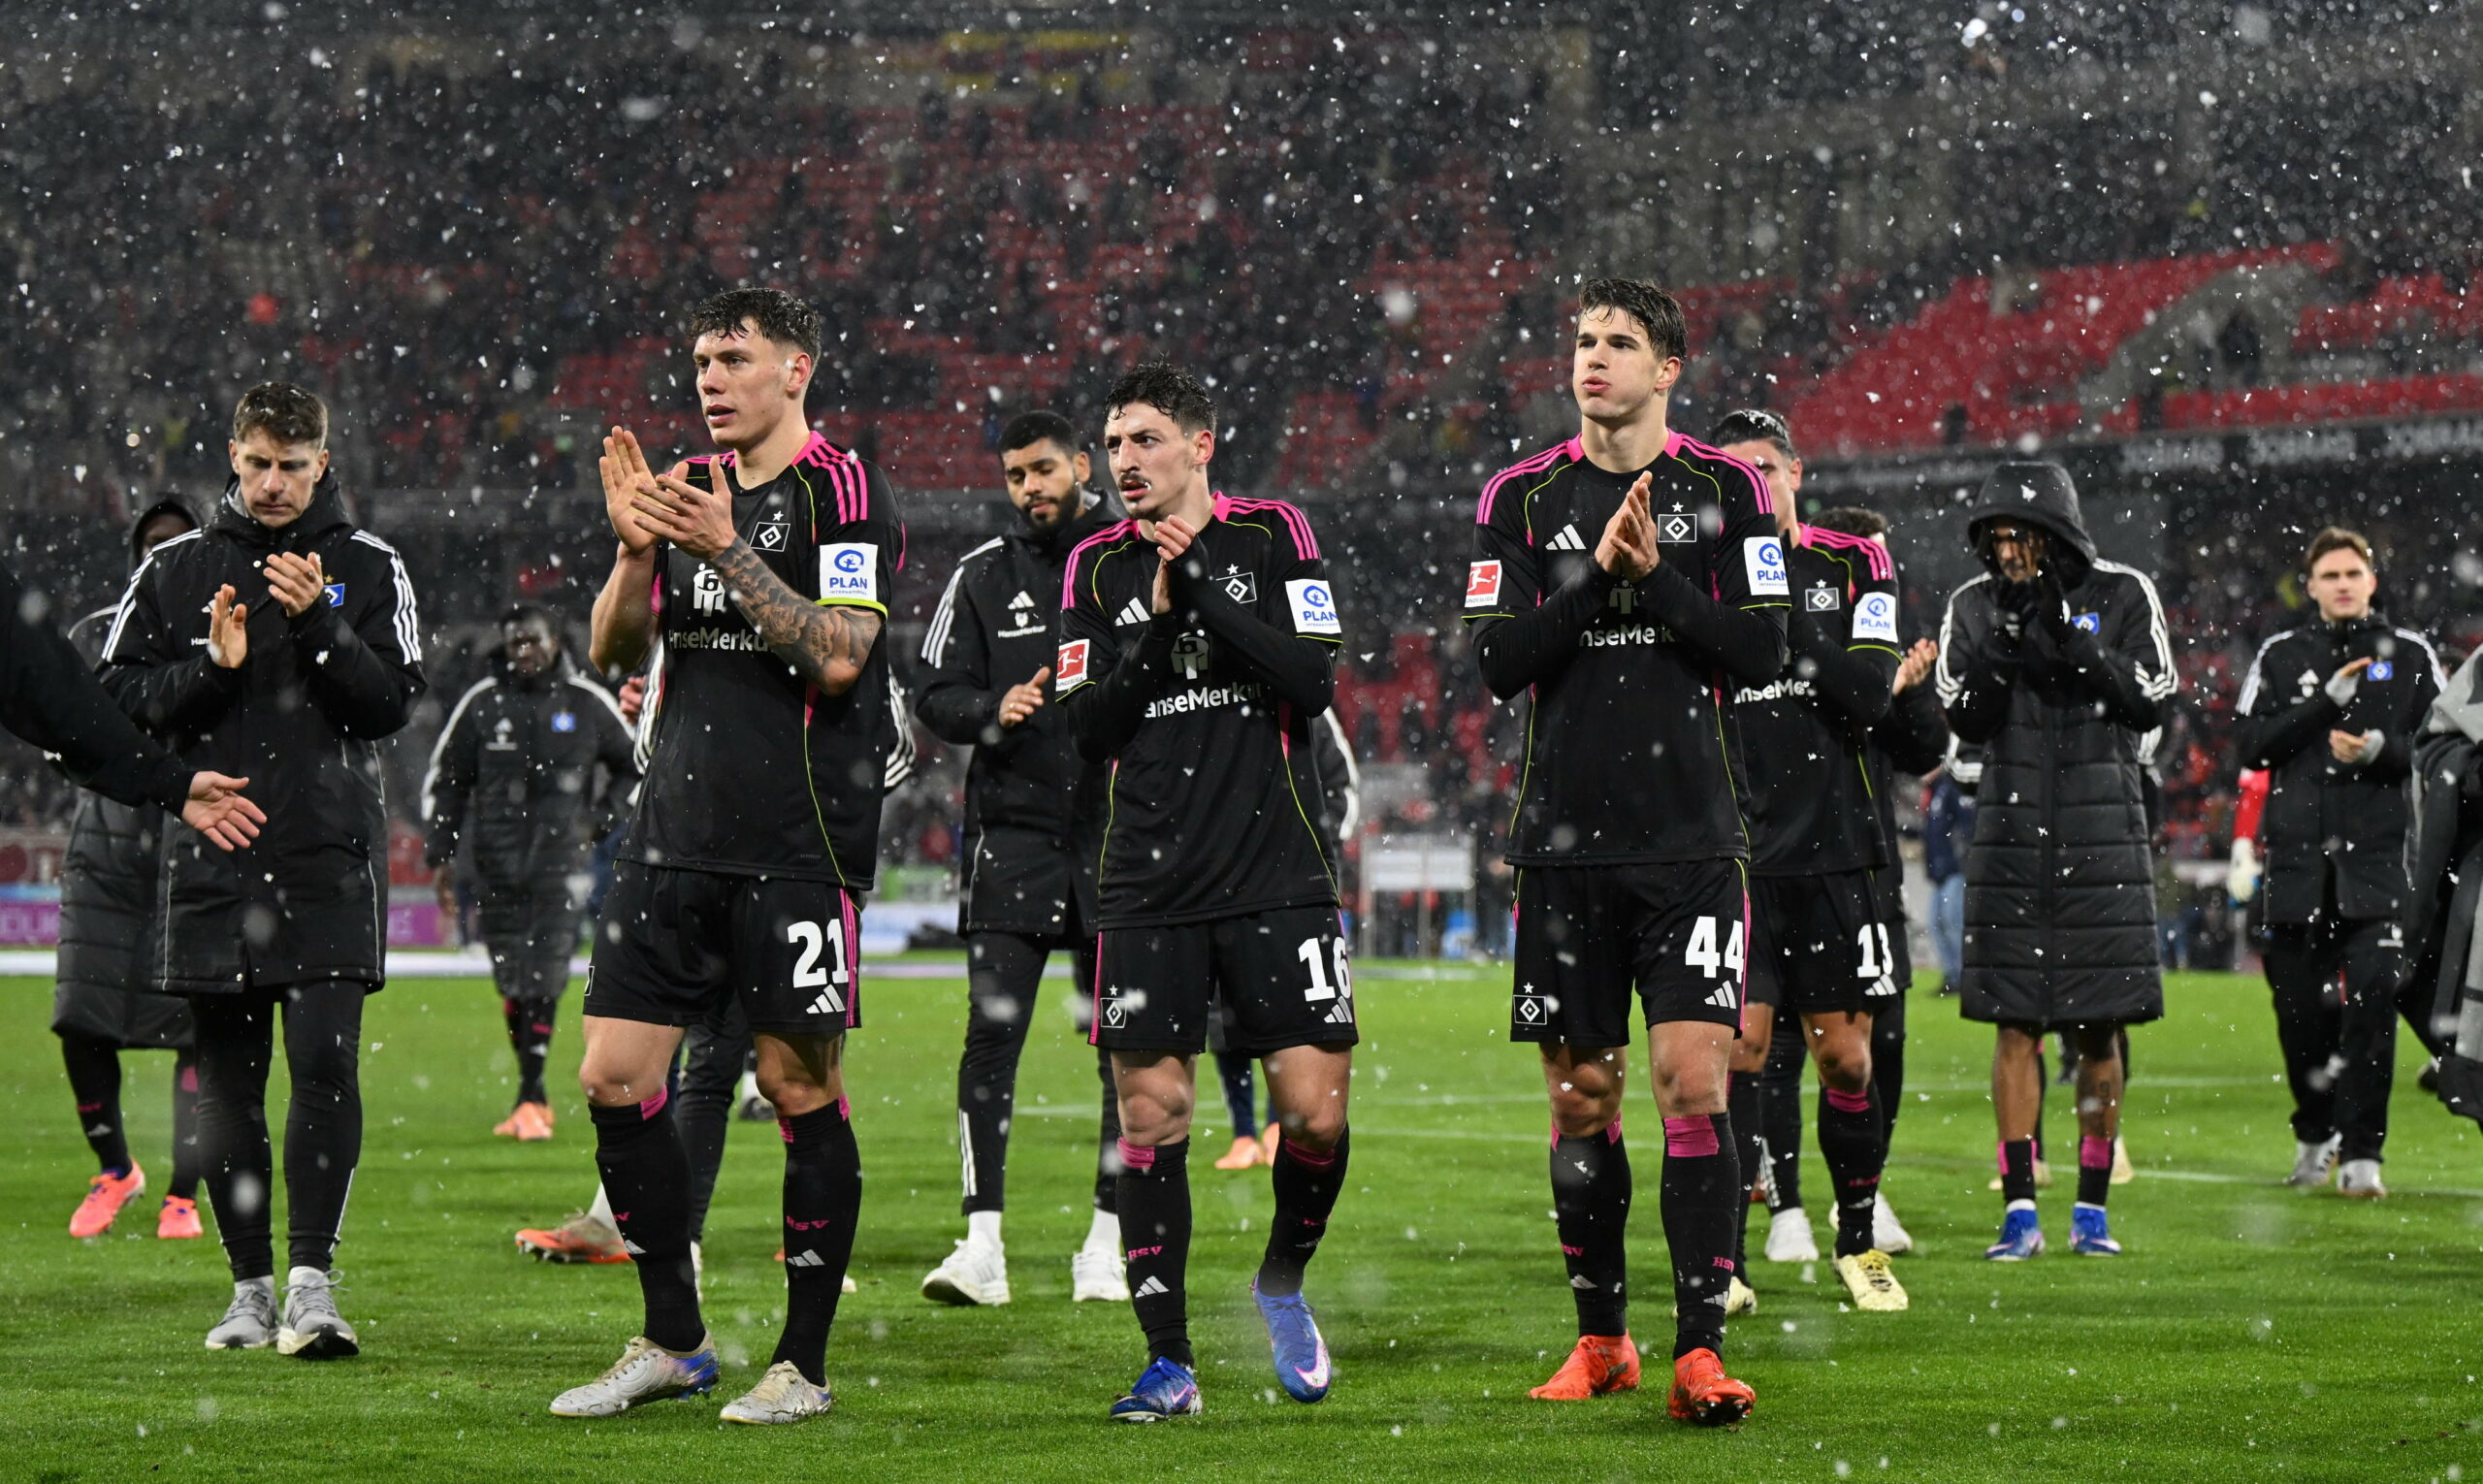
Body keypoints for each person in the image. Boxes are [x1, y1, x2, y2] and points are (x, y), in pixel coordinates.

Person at [551, 287, 898, 1427]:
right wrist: (631, 551)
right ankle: (674, 1337)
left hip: (796, 843)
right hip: (669, 839)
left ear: (795, 371)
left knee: (799, 1088)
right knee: (612, 1076)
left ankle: (801, 1363)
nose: (708, 378)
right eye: (700, 358)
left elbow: (841, 656)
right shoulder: (686, 493)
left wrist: (729, 551)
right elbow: (614, 649)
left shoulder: (840, 490)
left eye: (733, 358)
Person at [1463, 280, 1785, 1424]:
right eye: (1582, 340)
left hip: (1692, 839)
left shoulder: (1728, 490)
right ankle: (1602, 1338)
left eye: (1619, 344)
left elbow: (1761, 649)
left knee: (1692, 1085)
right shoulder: (1519, 496)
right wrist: (1599, 573)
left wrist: (1659, 580)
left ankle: (1700, 1347)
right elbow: (1498, 664)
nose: (1592, 358)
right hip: (1562, 848)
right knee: (1584, 1097)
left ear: (1668, 369)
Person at [1056, 362, 1355, 1422]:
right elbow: (1088, 732)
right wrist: (1154, 624)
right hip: (1147, 880)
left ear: (1200, 444)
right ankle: (1168, 1359)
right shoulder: (1092, 568)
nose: (1122, 462)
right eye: (1113, 443)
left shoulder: (1277, 535)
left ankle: (1280, 1281)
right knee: (1153, 1115)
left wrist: (1208, 602)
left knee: (1313, 1120)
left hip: (1278, 870)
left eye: (1143, 440)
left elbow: (1312, 682)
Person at [101, 381, 422, 1356]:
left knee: (323, 1068)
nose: (275, 484)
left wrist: (321, 623)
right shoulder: (175, 570)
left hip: (326, 858)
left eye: (293, 465)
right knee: (226, 1085)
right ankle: (248, 1290)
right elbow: (112, 699)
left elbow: (391, 705)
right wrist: (212, 666)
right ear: (232, 459)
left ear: (324, 462)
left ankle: (312, 1286)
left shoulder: (367, 568)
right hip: (216, 855)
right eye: (258, 464)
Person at [912, 408, 1129, 1306]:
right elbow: (931, 689)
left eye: (1043, 470)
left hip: (1120, 840)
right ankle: (982, 1245)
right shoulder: (981, 577)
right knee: (991, 1037)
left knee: (1124, 1046)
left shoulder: (1136, 561)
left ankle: (1108, 1244)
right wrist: (990, 708)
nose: (1031, 489)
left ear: (1082, 465)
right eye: (1014, 476)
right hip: (1015, 839)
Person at [1934, 460, 2177, 1260]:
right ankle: (2018, 1207)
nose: (2010, 553)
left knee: (2100, 1033)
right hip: (2009, 838)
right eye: (1998, 538)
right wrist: (2005, 646)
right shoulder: (1971, 608)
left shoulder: (2123, 594)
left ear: (2058, 533)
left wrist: (2073, 637)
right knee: (2014, 1030)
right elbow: (1963, 722)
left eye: (2024, 536)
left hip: (2102, 837)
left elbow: (2149, 701)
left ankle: (2094, 1209)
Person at [1707, 411, 1907, 1315]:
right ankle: (1732, 1262)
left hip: (1837, 856)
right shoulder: (1699, 578)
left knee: (1849, 1066)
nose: (1757, 486)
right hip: (1739, 858)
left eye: (1767, 470)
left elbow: (1869, 693)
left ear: (1795, 472)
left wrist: (1781, 620)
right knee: (1736, 1057)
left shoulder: (1856, 561)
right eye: (1737, 476)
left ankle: (1859, 1244)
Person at [2234, 527, 2443, 1196]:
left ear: (2373, 580)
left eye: (2354, 572)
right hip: (2297, 873)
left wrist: (2382, 750)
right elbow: (2250, 746)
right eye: (2330, 575)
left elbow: (2444, 755)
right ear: (2312, 585)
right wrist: (2323, 704)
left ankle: (2362, 1157)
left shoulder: (2411, 658)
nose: (2344, 583)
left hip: (2379, 870)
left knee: (2371, 1011)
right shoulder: (2279, 655)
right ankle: (2314, 1131)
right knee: (2299, 1018)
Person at [421, 603, 639, 1143]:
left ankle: (531, 1092)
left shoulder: (587, 703)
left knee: (543, 974)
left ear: (556, 642)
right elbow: (446, 780)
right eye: (515, 641)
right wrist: (441, 855)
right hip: (494, 864)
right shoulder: (482, 703)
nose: (524, 650)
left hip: (560, 866)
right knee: (513, 979)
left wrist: (600, 820)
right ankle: (530, 1088)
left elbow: (635, 766)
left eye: (533, 640)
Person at [53, 499, 210, 1242]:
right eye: (151, 546)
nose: (163, 556)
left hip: (192, 857)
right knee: (81, 1021)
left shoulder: (228, 635)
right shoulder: (95, 635)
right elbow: (61, 741)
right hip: (106, 858)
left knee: (197, 1035)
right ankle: (115, 1169)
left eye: (178, 545)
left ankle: (184, 1192)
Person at [1211, 708, 1358, 1173]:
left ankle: (1277, 1127)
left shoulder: (1302, 695)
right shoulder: (1211, 699)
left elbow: (1344, 788)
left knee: (1287, 1017)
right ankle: (1242, 1133)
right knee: (1222, 1020)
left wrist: (1310, 847)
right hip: (1219, 887)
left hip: (1289, 892)